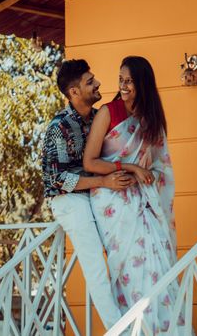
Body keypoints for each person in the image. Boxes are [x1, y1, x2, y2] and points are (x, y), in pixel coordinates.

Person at [42, 59, 147, 330]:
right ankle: (120, 331)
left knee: (125, 257)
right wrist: (103, 180)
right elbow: (55, 179)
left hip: (99, 192)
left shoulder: (99, 116)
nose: (98, 83)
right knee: (97, 270)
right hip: (71, 199)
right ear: (74, 92)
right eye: (90, 82)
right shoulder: (59, 127)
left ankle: (142, 322)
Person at [83, 56, 180, 333]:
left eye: (129, 81)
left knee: (157, 270)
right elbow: (90, 162)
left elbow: (161, 167)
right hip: (113, 199)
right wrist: (131, 167)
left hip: (144, 204)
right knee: (129, 272)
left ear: (143, 84)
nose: (123, 86)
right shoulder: (108, 113)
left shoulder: (151, 121)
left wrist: (146, 170)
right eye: (121, 80)